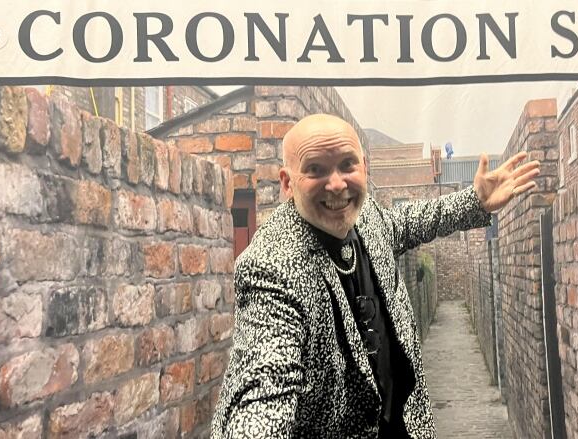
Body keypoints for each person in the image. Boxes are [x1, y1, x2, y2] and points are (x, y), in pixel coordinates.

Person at [211, 114, 540, 438]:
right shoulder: (270, 266)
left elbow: (409, 221)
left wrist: (476, 201)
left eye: (347, 165)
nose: (337, 183)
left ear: (364, 167)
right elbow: (262, 389)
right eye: (315, 169)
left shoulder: (366, 216)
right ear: (287, 183)